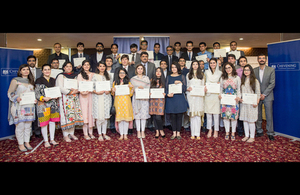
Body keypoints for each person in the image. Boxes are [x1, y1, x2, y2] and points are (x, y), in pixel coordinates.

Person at [7, 64, 37, 151]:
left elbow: (33, 93)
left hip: (29, 106)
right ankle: (21, 144)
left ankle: (27, 142)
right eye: (24, 69)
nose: (26, 71)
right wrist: (16, 98)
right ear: (20, 71)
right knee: (20, 126)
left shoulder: (31, 81)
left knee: (28, 126)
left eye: (27, 69)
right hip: (19, 107)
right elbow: (10, 93)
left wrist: (34, 100)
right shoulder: (15, 81)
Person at [56, 62, 84, 142]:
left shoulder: (75, 76)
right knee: (66, 115)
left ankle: (71, 133)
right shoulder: (61, 76)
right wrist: (70, 92)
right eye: (67, 66)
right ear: (64, 67)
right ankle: (65, 135)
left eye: (70, 66)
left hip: (74, 97)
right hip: (65, 98)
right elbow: (60, 87)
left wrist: (77, 90)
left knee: (73, 115)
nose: (68, 68)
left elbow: (79, 85)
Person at [35, 64, 60, 148]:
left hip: (53, 104)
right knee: (44, 123)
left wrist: (57, 95)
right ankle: (46, 141)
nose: (47, 71)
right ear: (42, 71)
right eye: (45, 69)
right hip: (43, 105)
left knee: (52, 122)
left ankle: (52, 139)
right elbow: (37, 94)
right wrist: (43, 98)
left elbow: (57, 90)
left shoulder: (53, 80)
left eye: (48, 69)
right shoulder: (39, 80)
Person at [254, 54, 275, 141]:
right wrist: (259, 94)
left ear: (266, 59)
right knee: (258, 114)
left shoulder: (271, 70)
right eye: (260, 58)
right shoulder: (254, 70)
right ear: (257, 60)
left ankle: (270, 132)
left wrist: (264, 94)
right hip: (257, 96)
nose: (261, 60)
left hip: (268, 96)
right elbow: (253, 83)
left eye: (263, 58)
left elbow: (272, 83)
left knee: (269, 115)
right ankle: (259, 130)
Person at [165, 62, 188, 140]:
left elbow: (184, 89)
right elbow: (166, 88)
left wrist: (180, 83)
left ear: (178, 68)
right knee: (173, 116)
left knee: (179, 116)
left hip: (180, 99)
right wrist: (167, 94)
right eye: (172, 67)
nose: (173, 69)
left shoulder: (182, 76)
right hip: (171, 99)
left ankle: (178, 133)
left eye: (175, 67)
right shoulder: (168, 77)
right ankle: (174, 133)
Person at [219, 62, 241, 141]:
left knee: (234, 117)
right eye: (226, 68)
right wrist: (220, 95)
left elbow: (239, 89)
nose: (228, 69)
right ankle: (227, 132)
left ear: (232, 68)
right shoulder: (222, 77)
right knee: (226, 117)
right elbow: (220, 88)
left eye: (229, 67)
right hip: (225, 100)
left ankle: (233, 133)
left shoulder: (237, 78)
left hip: (234, 100)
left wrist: (238, 97)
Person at [111, 68, 134, 140]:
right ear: (118, 74)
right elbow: (113, 94)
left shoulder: (128, 82)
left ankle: (125, 134)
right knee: (120, 119)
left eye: (123, 73)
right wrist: (113, 90)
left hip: (126, 102)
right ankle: (121, 134)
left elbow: (130, 94)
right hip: (118, 102)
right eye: (120, 73)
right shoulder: (115, 82)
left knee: (126, 119)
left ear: (126, 74)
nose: (122, 74)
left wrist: (132, 88)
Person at [239, 65, 261, 143]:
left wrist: (256, 102)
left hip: (252, 104)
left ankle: (252, 136)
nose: (246, 71)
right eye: (245, 70)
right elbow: (240, 92)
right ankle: (246, 135)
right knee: (245, 120)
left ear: (251, 71)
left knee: (251, 121)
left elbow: (258, 93)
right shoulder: (243, 80)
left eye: (248, 70)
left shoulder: (255, 81)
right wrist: (240, 98)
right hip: (244, 103)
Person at [92, 61, 113, 141]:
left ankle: (104, 133)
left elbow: (111, 86)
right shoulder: (95, 76)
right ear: (98, 67)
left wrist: (109, 90)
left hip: (106, 98)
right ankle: (99, 134)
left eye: (103, 66)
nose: (102, 67)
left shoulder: (109, 76)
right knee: (99, 117)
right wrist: (96, 92)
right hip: (98, 97)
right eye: (100, 66)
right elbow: (92, 87)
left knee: (105, 117)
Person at [186, 60, 205, 139]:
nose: (195, 65)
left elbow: (203, 85)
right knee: (192, 116)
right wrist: (188, 89)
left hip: (199, 97)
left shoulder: (202, 75)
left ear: (198, 65)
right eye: (193, 64)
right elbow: (187, 86)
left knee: (198, 116)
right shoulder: (188, 75)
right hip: (191, 97)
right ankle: (193, 133)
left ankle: (198, 134)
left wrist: (204, 89)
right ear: (191, 65)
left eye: (196, 64)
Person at [130, 64, 151, 138]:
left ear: (143, 70)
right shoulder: (133, 79)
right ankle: (138, 131)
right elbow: (131, 90)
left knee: (143, 116)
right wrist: (137, 88)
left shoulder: (146, 78)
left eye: (141, 68)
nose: (140, 70)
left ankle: (143, 131)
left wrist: (143, 88)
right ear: (136, 70)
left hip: (144, 99)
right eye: (138, 68)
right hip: (136, 99)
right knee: (137, 116)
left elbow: (149, 89)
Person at [77, 60, 95, 140]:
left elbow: (95, 85)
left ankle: (90, 132)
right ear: (82, 66)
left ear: (90, 66)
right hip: (83, 96)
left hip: (91, 95)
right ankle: (85, 133)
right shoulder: (80, 75)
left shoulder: (93, 75)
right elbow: (78, 86)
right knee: (85, 114)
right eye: (85, 65)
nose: (86, 66)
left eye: (88, 65)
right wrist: (82, 91)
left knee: (91, 113)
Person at [204, 58, 222, 138]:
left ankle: (216, 130)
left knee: (216, 114)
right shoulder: (206, 72)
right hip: (208, 95)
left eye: (214, 63)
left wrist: (220, 83)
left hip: (216, 95)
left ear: (217, 63)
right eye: (211, 63)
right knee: (208, 114)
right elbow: (204, 82)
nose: (212, 64)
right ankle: (210, 129)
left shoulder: (220, 73)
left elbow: (222, 84)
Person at [27, 55, 42, 138]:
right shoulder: (25, 70)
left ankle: (37, 132)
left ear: (35, 62)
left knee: (37, 113)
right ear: (27, 62)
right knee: (28, 114)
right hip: (28, 94)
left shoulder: (39, 71)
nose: (32, 62)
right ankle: (28, 134)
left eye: (33, 60)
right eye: (30, 61)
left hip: (37, 94)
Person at [149, 67, 166, 138]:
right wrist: (149, 93)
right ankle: (157, 131)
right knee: (154, 116)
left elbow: (167, 90)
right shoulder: (152, 80)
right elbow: (149, 89)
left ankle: (161, 129)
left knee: (159, 116)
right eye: (157, 71)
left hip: (160, 100)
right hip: (153, 100)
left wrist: (165, 93)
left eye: (159, 71)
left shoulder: (164, 81)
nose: (158, 72)